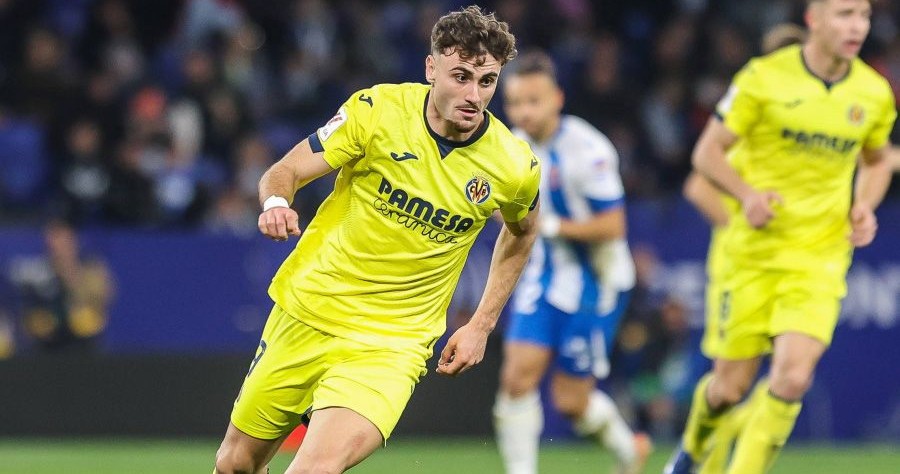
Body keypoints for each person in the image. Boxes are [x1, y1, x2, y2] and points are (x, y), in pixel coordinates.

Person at [214, 6, 541, 474]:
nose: (473, 95)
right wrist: (276, 204)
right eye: (461, 76)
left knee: (312, 470)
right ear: (431, 69)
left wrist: (482, 324)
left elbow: (522, 231)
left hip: (391, 344)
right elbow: (283, 171)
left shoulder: (513, 165)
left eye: (486, 82)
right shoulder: (377, 111)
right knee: (234, 465)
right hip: (308, 312)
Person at [666, 1, 896, 473]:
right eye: (845, 14)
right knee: (728, 390)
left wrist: (864, 206)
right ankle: (691, 451)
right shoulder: (762, 78)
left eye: (864, 16)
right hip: (750, 252)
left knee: (793, 378)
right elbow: (706, 155)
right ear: (814, 19)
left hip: (819, 255)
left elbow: (877, 160)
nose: (857, 27)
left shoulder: (873, 92)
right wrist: (746, 195)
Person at [493, 51, 650, 474]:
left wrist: (551, 226)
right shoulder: (510, 145)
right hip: (544, 278)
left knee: (571, 402)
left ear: (557, 98)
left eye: (533, 101)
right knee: (516, 381)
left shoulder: (589, 149)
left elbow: (614, 225)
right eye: (515, 103)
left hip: (597, 284)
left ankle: (628, 450)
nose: (523, 112)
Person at [680, 22, 807, 474]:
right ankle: (701, 463)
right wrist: (742, 221)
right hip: (742, 265)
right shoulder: (749, 127)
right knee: (730, 385)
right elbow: (698, 184)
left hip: (796, 264)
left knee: (788, 377)